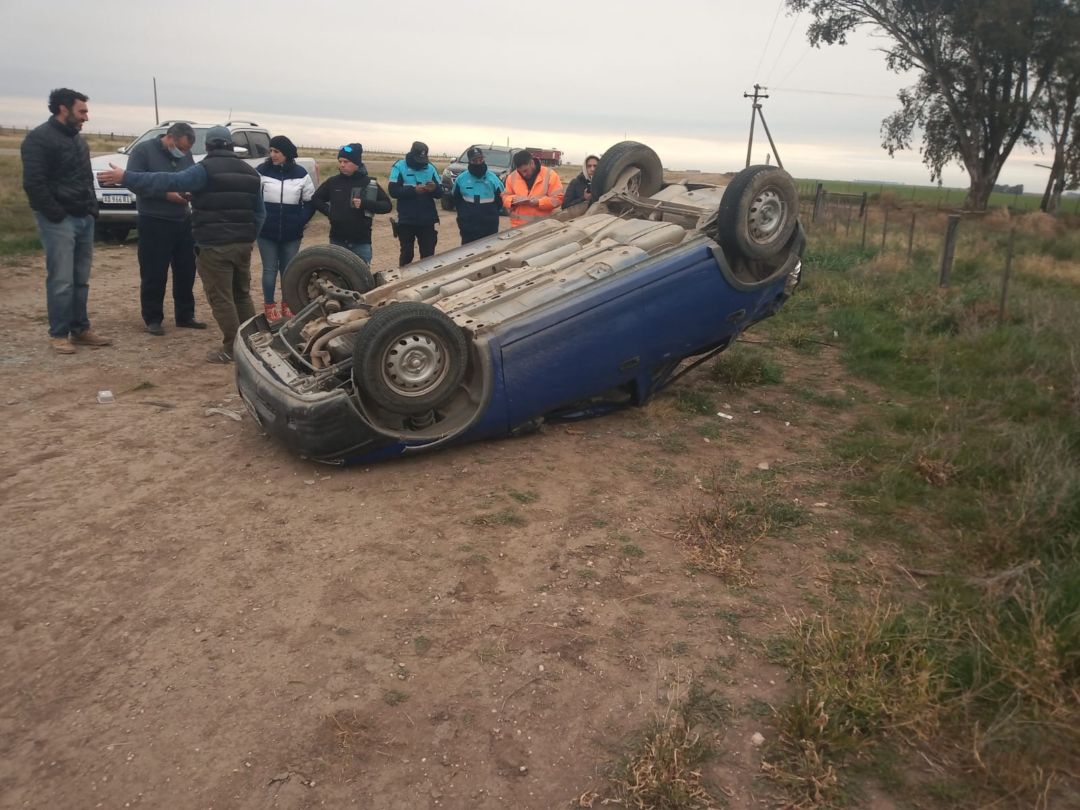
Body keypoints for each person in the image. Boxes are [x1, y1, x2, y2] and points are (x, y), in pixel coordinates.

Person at [98, 125, 265, 364]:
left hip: (214, 245)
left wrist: (125, 177)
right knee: (242, 295)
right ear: (231, 145)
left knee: (222, 298)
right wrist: (249, 237)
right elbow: (260, 213)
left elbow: (169, 180)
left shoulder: (204, 169)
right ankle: (255, 344)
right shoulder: (251, 172)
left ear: (207, 146)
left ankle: (232, 348)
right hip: (242, 245)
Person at [21, 87, 112, 354]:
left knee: (80, 278)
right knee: (61, 279)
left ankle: (80, 329)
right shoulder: (39, 139)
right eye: (82, 111)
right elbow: (34, 184)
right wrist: (56, 214)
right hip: (58, 220)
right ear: (64, 109)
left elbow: (86, 179)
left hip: (84, 217)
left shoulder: (78, 141)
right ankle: (58, 333)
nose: (86, 117)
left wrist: (91, 209)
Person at [126, 121, 207, 336]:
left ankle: (185, 315)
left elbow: (189, 178)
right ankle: (153, 318)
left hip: (182, 220)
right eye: (180, 148)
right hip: (154, 220)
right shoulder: (143, 151)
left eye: (187, 150)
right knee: (154, 271)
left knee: (186, 270)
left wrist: (189, 193)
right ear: (169, 138)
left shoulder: (185, 155)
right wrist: (166, 195)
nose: (183, 153)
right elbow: (134, 182)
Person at [256, 135, 315, 322]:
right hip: (266, 231)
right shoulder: (261, 171)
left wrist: (301, 220)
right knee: (269, 270)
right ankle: (269, 305)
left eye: (277, 152)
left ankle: (288, 303)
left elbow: (310, 201)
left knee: (289, 270)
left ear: (287, 153)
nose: (273, 155)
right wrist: (259, 219)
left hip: (292, 233)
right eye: (271, 151)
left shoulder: (301, 174)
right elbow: (253, 198)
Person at [310, 143, 391, 265]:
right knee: (336, 277)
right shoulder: (333, 182)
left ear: (356, 163)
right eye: (340, 161)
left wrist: (365, 204)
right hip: (337, 240)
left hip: (361, 242)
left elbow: (387, 206)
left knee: (361, 280)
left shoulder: (368, 183)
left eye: (346, 161)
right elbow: (316, 199)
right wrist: (329, 212)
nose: (342, 165)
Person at [388, 141, 442, 266]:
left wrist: (434, 188)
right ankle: (404, 281)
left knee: (428, 256)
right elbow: (393, 190)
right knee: (407, 255)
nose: (420, 163)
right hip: (407, 220)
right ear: (411, 154)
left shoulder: (430, 167)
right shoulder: (399, 167)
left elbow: (440, 193)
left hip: (427, 220)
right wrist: (413, 190)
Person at [452, 146, 504, 244]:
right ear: (469, 162)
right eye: (475, 160)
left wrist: (490, 214)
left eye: (481, 159)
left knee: (489, 255)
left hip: (489, 227)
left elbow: (500, 200)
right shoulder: (461, 179)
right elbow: (456, 199)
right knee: (467, 254)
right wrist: (464, 216)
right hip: (468, 227)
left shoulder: (493, 179)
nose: (478, 163)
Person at [503, 150, 563, 228]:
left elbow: (558, 199)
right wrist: (512, 200)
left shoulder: (550, 175)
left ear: (531, 163)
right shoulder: (512, 177)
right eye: (520, 171)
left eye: (525, 170)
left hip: (542, 226)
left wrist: (539, 202)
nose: (523, 174)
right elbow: (505, 197)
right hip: (517, 228)